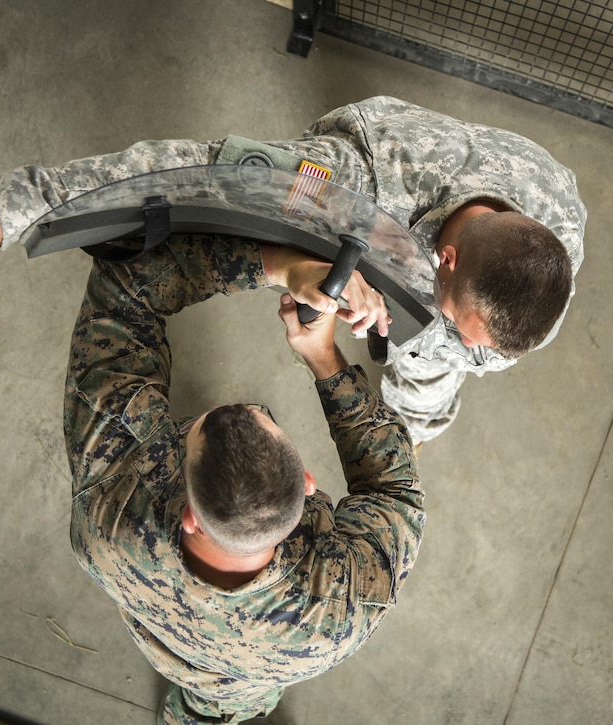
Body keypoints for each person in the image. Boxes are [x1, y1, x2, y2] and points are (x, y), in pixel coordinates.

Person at [0, 96, 586, 444]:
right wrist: (15, 203)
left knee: (427, 370)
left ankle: (412, 429)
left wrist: (403, 422)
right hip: (375, 183)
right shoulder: (352, 185)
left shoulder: (553, 231)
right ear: (445, 259)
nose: (468, 345)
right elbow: (199, 173)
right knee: (259, 197)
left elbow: (457, 349)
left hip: (446, 263)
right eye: (459, 322)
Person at [24, 230, 422, 723]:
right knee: (230, 705)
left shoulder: (109, 521)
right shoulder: (335, 617)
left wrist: (281, 268)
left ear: (190, 517)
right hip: (243, 678)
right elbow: (394, 489)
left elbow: (123, 285)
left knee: (197, 694)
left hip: (166, 641)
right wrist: (322, 355)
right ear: (307, 483)